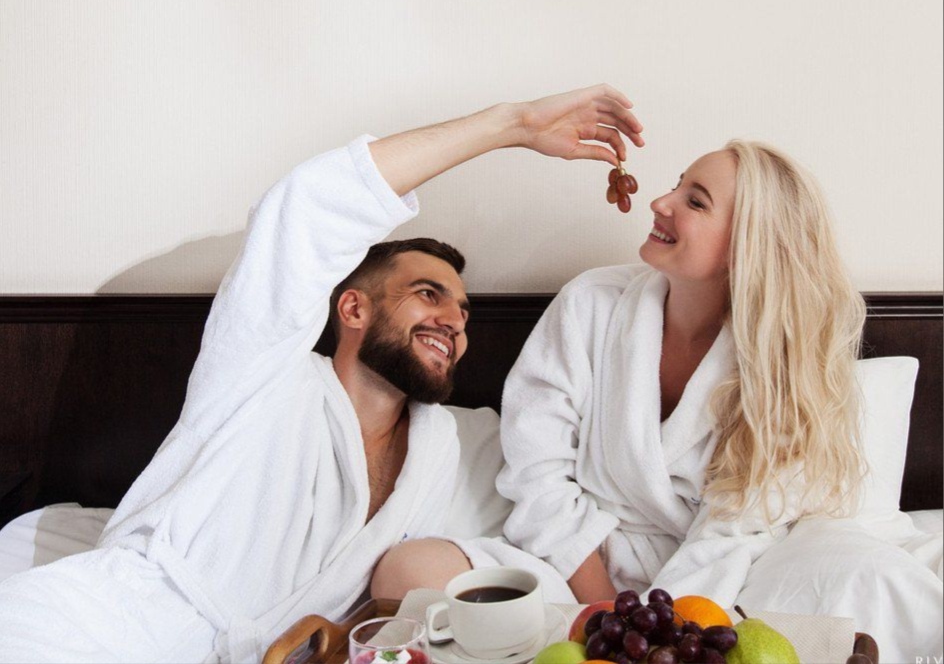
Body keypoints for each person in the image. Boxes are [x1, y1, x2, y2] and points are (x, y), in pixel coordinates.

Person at [0, 84, 644, 663]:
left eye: (462, 311)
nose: (453, 320)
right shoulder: (264, 370)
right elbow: (305, 209)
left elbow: (555, 498)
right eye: (428, 294)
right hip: (116, 622)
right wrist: (511, 124)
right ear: (353, 308)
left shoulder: (450, 446)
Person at [370, 132, 943, 644]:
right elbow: (535, 467)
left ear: (746, 245)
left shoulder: (784, 366)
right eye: (677, 185)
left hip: (724, 575)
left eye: (695, 201)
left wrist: (664, 630)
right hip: (580, 559)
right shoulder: (591, 304)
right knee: (408, 570)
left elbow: (736, 529)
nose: (660, 202)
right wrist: (604, 613)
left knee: (864, 579)